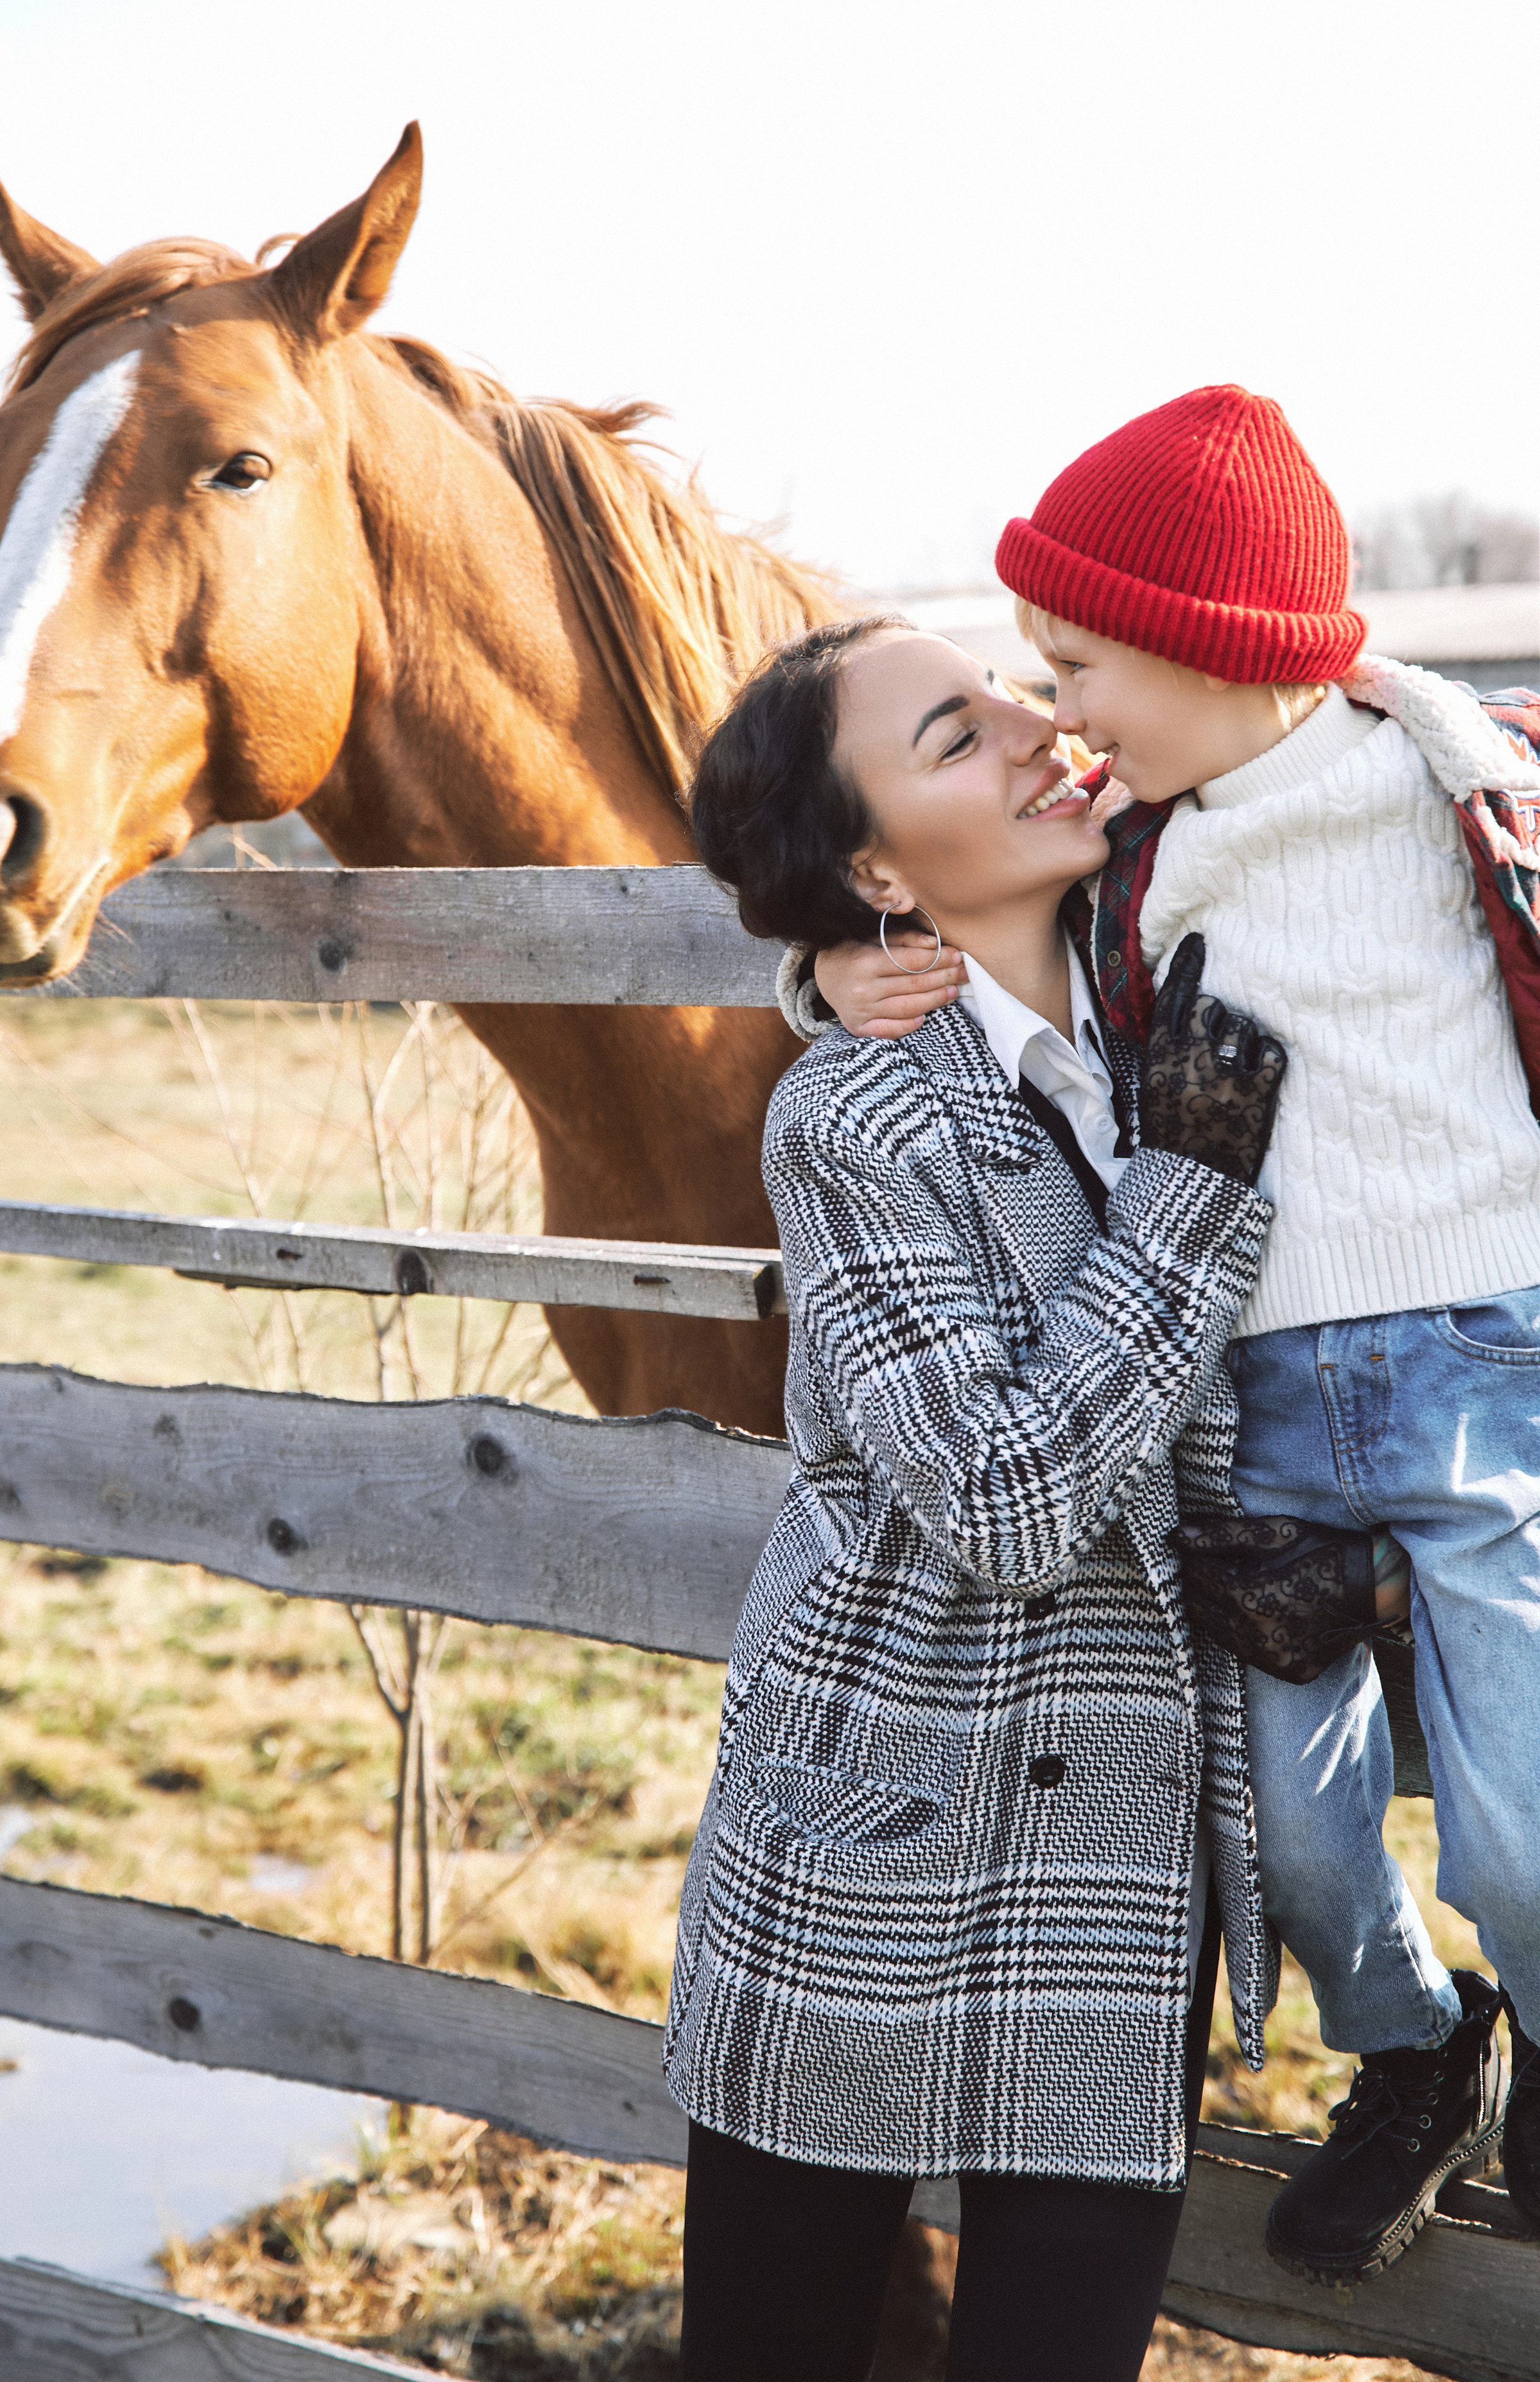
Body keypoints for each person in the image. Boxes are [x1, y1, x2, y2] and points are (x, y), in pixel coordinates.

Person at [801, 384, 1539, 2282]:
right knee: (1286, 1839)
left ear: (1211, 644)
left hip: (1484, 1365)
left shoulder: (1459, 777)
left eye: (1075, 664)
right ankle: (1417, 2049)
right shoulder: (1133, 838)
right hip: (1259, 1402)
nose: (1056, 713)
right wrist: (831, 961)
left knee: (1522, 1830)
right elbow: (957, 909)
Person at [671, 611, 1291, 2381]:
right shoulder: (853, 1117)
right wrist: (1186, 1198)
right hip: (862, 1830)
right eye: (956, 735)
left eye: (1016, 693)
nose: (1032, 728)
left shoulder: (1182, 972)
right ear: (876, 869)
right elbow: (1005, 1503)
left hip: (1116, 1858)